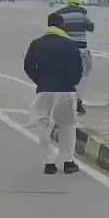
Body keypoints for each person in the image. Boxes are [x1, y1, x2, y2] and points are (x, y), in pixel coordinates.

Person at [23, 13, 84, 175]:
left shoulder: (36, 44)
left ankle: (49, 161)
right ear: (62, 27)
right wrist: (70, 82)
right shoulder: (70, 45)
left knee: (43, 124)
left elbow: (28, 66)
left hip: (45, 91)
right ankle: (68, 162)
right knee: (68, 127)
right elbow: (78, 71)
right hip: (66, 91)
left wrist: (40, 80)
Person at [53, 0, 95, 114]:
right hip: (80, 49)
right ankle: (77, 101)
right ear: (78, 4)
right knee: (83, 75)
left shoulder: (60, 15)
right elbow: (91, 27)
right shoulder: (83, 15)